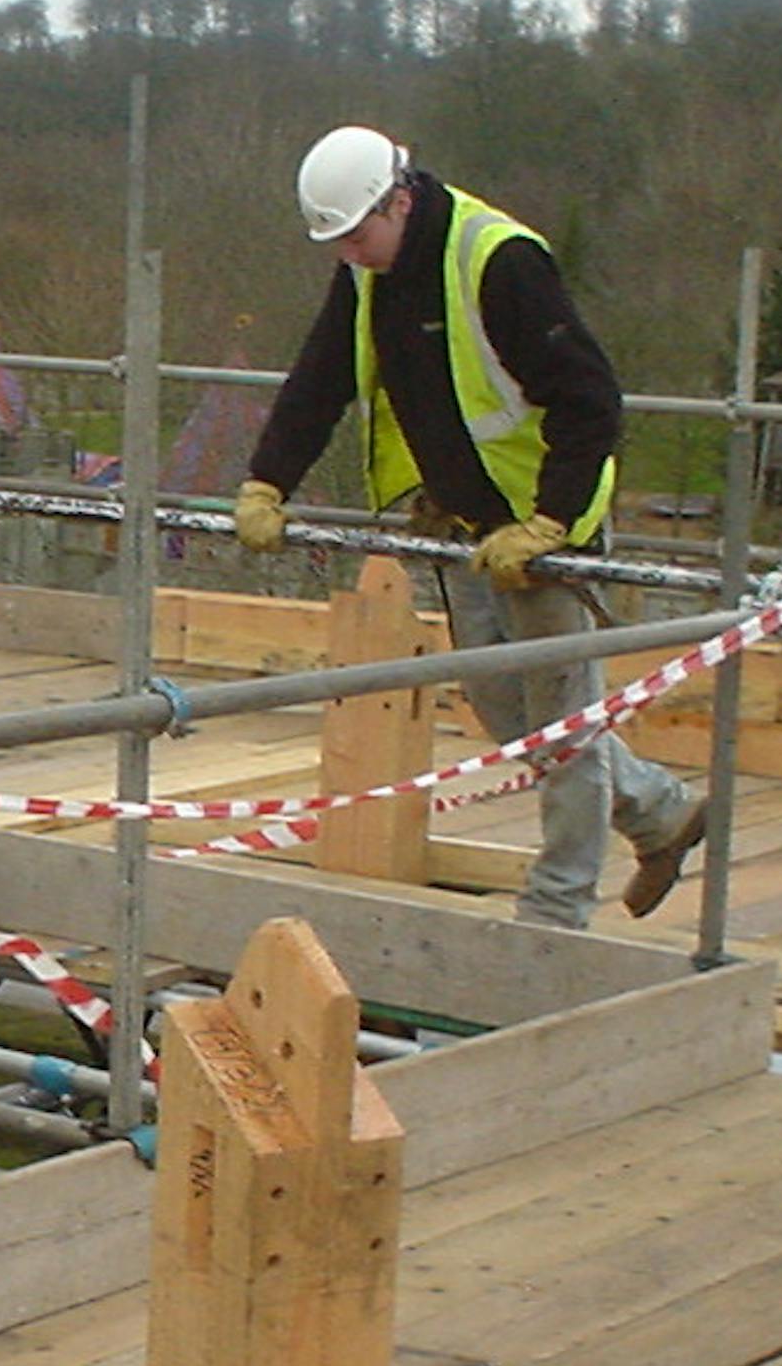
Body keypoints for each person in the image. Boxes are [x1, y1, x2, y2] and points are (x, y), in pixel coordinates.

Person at [233, 125, 708, 927]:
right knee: (502, 707)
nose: (349, 252)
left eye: (357, 234)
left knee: (563, 723)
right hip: (464, 524)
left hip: (544, 529)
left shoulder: (497, 260)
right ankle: (659, 810)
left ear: (400, 199)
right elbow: (321, 378)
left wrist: (552, 522)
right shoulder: (366, 275)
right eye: (337, 241)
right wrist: (267, 479)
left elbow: (591, 400)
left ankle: (556, 913)